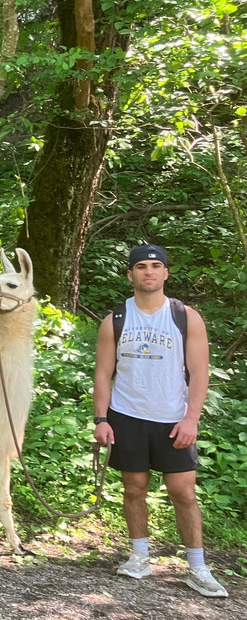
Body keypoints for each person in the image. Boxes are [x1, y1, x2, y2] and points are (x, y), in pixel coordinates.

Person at [93, 243, 227, 597]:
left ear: (166, 273)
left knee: (182, 492)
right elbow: (103, 374)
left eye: (155, 266)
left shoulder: (185, 316)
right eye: (141, 267)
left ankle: (197, 567)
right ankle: (139, 556)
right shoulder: (116, 320)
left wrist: (191, 419)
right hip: (127, 416)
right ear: (130, 275)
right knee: (134, 488)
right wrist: (101, 419)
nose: (148, 272)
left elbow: (199, 373)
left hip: (172, 418)